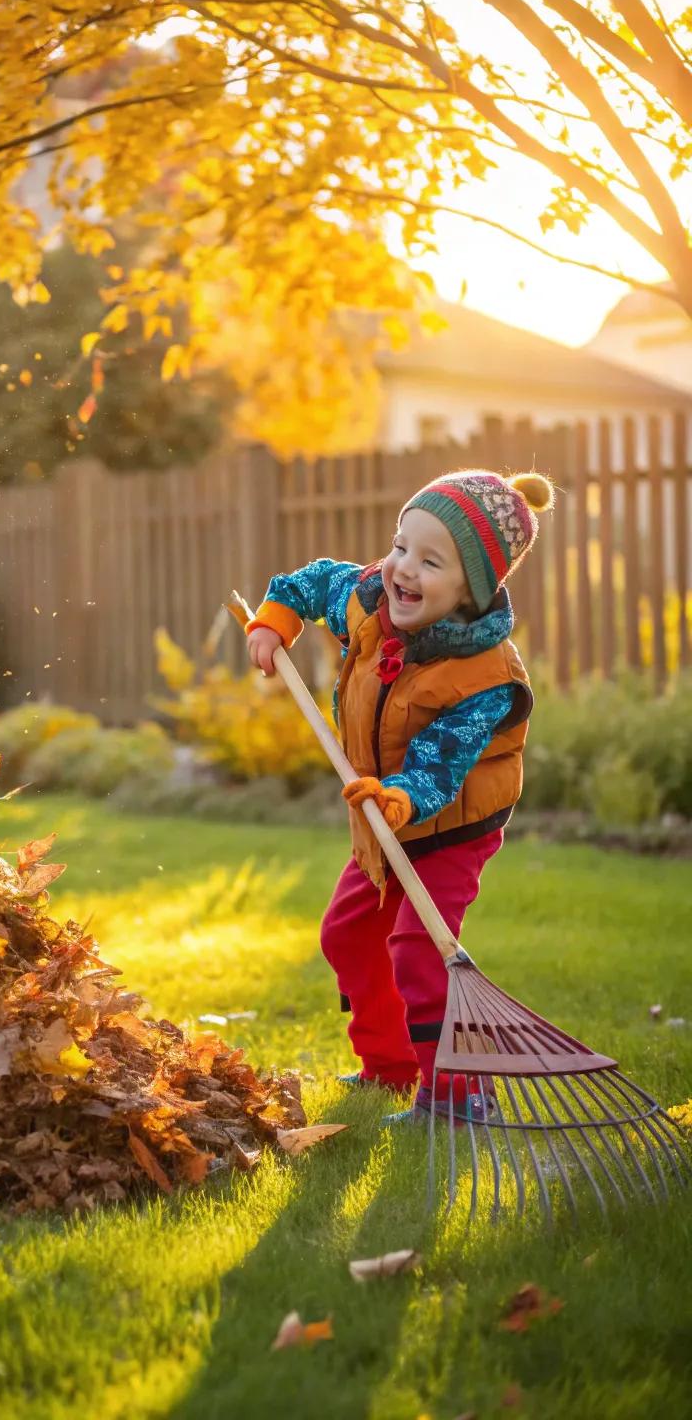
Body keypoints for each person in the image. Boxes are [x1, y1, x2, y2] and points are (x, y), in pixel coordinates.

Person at [245, 469, 553, 1124]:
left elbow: (442, 766)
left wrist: (402, 799)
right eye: (401, 545)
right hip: (378, 811)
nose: (402, 569)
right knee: (349, 934)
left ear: (472, 588)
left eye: (430, 561)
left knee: (420, 948)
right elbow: (304, 585)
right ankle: (390, 1071)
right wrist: (274, 623)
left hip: (448, 825)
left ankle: (460, 1093)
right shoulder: (364, 599)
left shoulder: (485, 676)